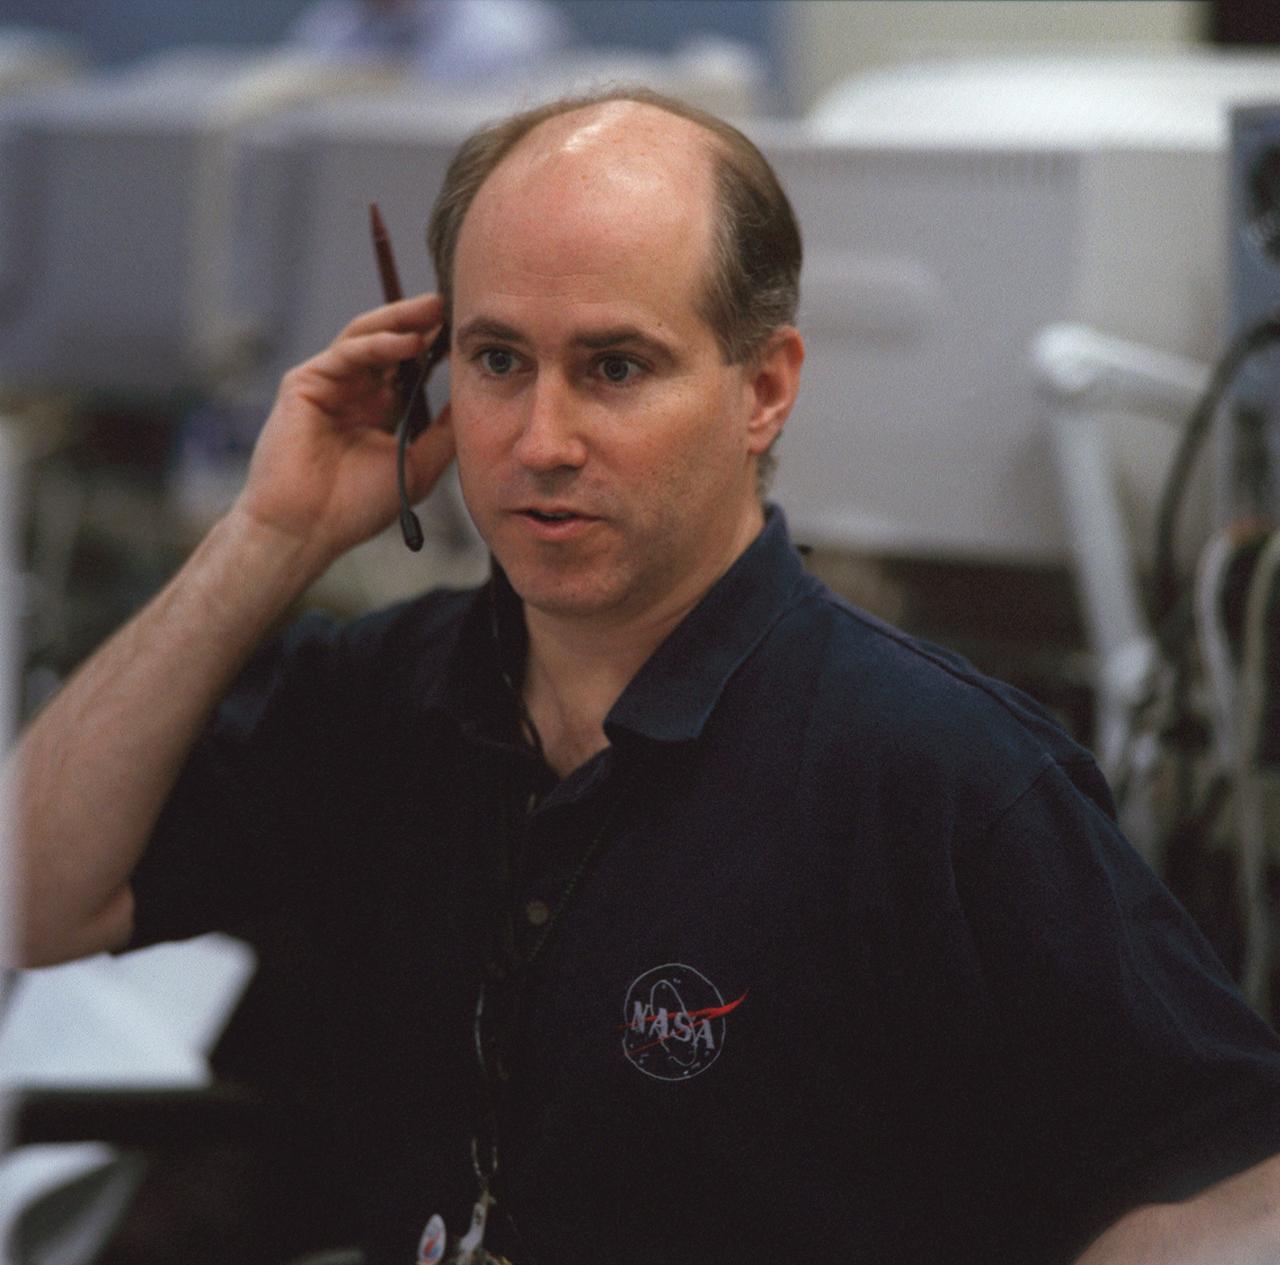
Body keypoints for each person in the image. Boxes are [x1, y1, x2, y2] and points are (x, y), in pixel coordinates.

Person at [12, 87, 1280, 1265]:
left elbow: (1240, 1189)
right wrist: (269, 538)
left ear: (762, 389)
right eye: (498, 361)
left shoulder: (940, 775)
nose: (541, 440)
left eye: (614, 367)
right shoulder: (384, 694)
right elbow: (33, 898)